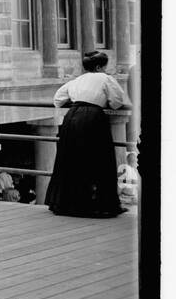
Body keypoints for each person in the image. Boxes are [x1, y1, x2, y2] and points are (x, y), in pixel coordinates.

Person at [46, 50, 130, 218]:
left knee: (71, 159)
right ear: (99, 66)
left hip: (72, 117)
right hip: (93, 118)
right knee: (99, 160)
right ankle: (100, 205)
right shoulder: (105, 79)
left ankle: (69, 204)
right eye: (105, 66)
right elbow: (117, 102)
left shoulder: (76, 80)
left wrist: (76, 101)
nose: (107, 70)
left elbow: (58, 99)